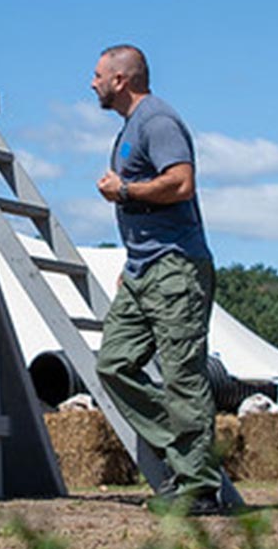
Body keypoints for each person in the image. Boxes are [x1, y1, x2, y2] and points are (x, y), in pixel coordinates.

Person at [90, 44, 224, 516]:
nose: (93, 83)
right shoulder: (130, 128)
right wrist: (131, 269)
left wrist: (123, 190)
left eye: (99, 75)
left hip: (176, 267)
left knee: (183, 377)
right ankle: (189, 453)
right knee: (112, 365)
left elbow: (182, 183)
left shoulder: (158, 122)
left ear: (121, 80)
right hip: (142, 270)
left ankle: (199, 487)